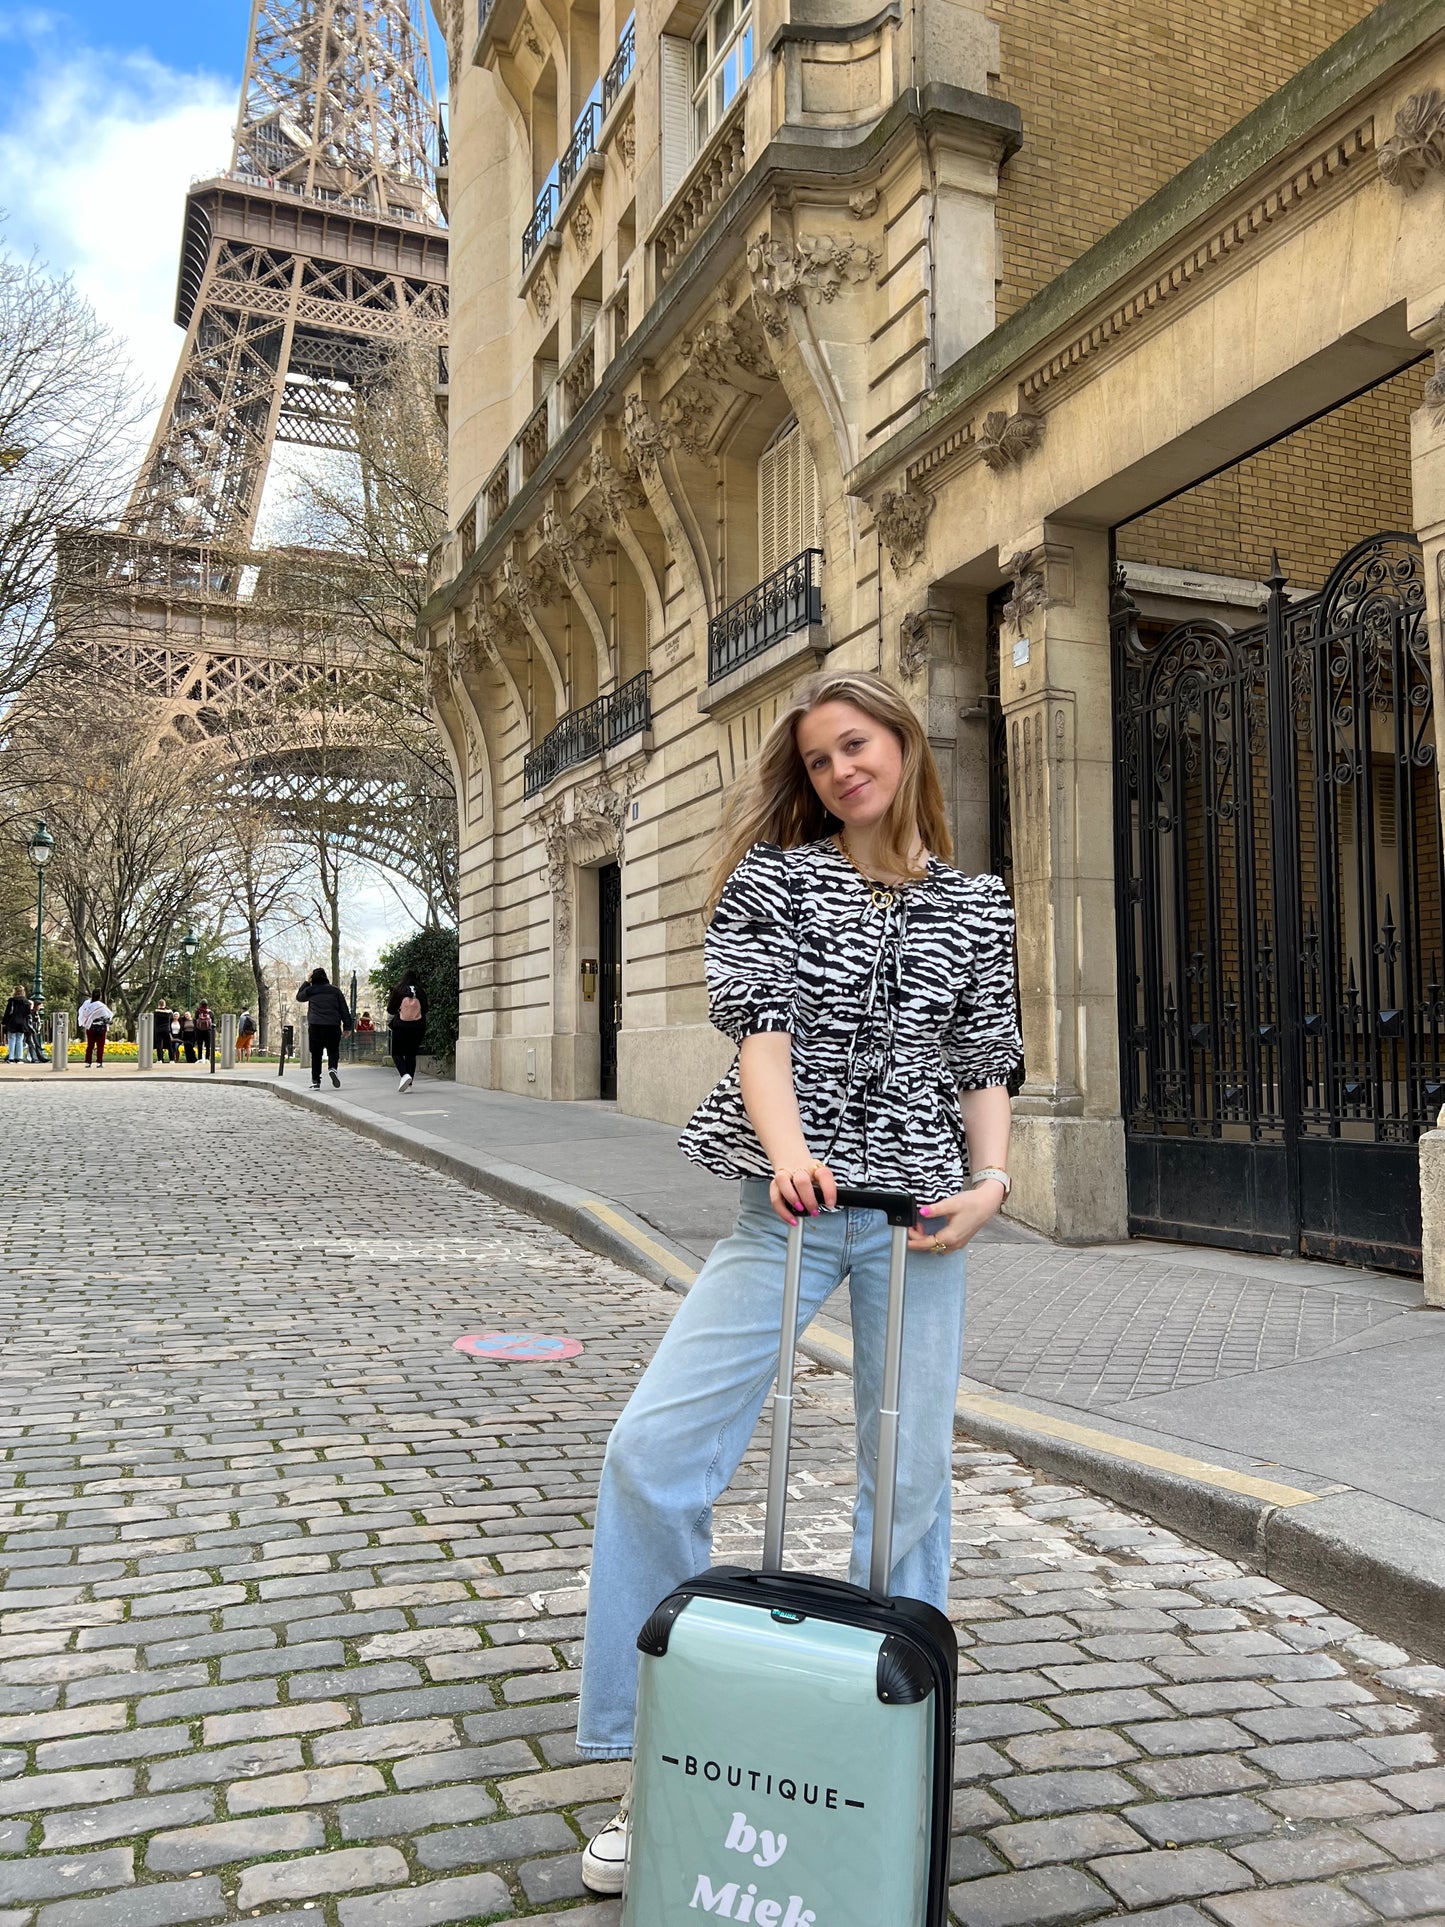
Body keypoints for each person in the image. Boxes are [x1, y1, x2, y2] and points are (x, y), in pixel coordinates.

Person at [573, 670, 1022, 1895]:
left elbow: (984, 1056)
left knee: (907, 1487)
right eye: (818, 758)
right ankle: (649, 1758)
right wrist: (787, 1158)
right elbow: (759, 1032)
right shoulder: (777, 878)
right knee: (651, 1453)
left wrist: (991, 1181)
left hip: (919, 1216)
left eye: (855, 745)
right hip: (788, 1208)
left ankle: (888, 1749)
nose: (838, 772)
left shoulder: (976, 905)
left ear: (899, 744)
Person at [296, 968, 353, 1089]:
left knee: (316, 1054)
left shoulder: (311, 990)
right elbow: (344, 1009)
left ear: (313, 978)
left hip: (316, 1025)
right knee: (333, 1050)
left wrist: (307, 982)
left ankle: (316, 1081)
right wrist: (347, 1026)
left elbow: (299, 997)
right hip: (333, 1025)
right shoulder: (335, 990)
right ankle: (333, 1068)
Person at [386, 980, 427, 1092]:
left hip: (400, 1026)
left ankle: (404, 1075)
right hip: (417, 1027)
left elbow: (390, 1009)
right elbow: (426, 1009)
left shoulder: (399, 990)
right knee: (411, 1055)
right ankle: (409, 1085)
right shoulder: (420, 991)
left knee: (396, 1053)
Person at [77, 989, 114, 1068]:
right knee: (100, 1046)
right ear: (100, 996)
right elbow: (108, 1016)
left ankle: (88, 1062)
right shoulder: (101, 1006)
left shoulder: (86, 1004)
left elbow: (82, 1013)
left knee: (90, 1045)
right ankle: (99, 1062)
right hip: (101, 1028)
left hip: (90, 1027)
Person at [3, 987, 31, 1065]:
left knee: (12, 1039)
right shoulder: (26, 1001)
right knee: (20, 1039)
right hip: (22, 1023)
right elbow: (28, 1013)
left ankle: (11, 1058)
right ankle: (19, 1058)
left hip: (12, 1022)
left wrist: (4, 1022)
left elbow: (8, 1012)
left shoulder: (12, 1001)